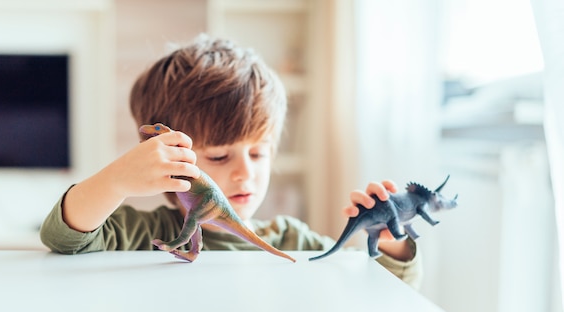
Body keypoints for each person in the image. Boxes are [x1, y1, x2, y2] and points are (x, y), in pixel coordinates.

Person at [40, 34, 422, 288]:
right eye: (220, 155)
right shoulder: (138, 233)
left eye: (258, 153)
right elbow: (62, 239)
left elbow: (386, 291)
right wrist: (116, 180)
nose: (245, 172)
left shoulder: (293, 241)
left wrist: (392, 243)